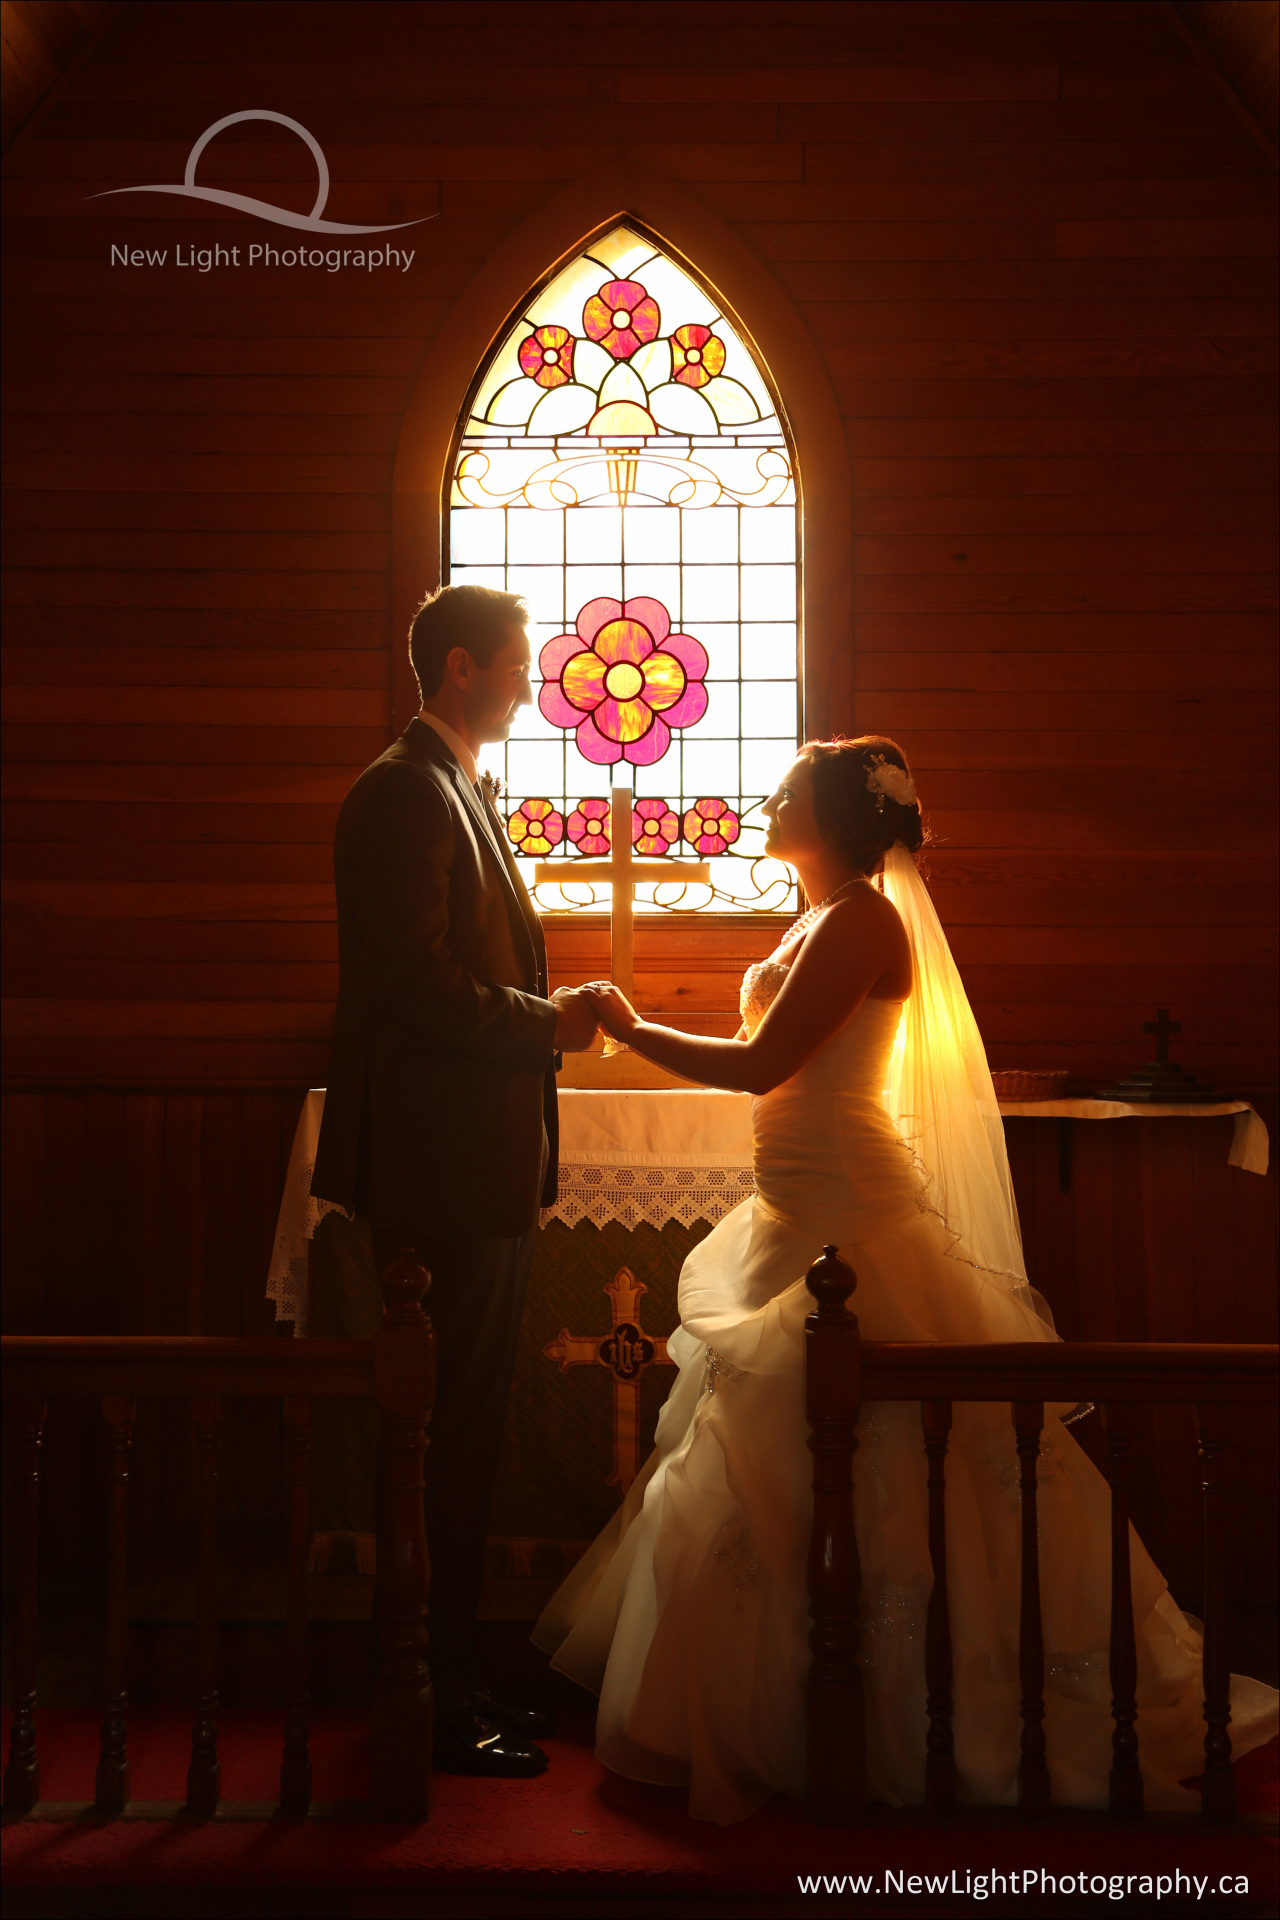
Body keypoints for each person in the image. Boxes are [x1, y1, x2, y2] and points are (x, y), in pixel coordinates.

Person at [534, 736, 1279, 1823]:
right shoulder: (813, 917)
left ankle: (923, 1707)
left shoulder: (865, 922)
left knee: (892, 1458)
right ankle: (796, 1712)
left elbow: (760, 1065)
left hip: (848, 1213)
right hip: (792, 1206)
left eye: (785, 789)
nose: (768, 797)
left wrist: (622, 1022)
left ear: (835, 815)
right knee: (759, 1466)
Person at [312, 583, 599, 1778]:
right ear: (464, 667)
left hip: (476, 1165)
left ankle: (455, 1676)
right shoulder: (400, 791)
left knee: (465, 1439)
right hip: (440, 1172)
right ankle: (424, 1700)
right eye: (521, 659)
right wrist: (545, 1023)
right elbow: (412, 984)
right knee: (440, 1441)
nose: (536, 678)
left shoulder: (454, 787)